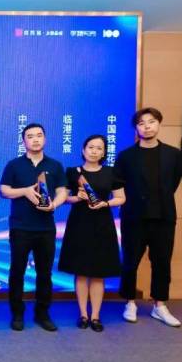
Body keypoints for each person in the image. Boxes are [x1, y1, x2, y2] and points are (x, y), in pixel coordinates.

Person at [114, 107, 182, 327]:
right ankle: (129, 302)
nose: (147, 127)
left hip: (163, 217)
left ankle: (159, 305)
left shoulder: (173, 154)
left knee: (162, 262)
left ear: (159, 124)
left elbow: (173, 183)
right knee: (130, 261)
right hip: (134, 217)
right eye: (142, 123)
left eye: (151, 122)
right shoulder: (126, 156)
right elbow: (119, 184)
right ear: (136, 128)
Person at [0, 123, 68, 332]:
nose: (35, 139)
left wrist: (54, 205)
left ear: (45, 139)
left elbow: (63, 191)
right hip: (20, 227)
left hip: (46, 228)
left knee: (44, 273)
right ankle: (17, 314)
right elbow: (4, 190)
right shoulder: (14, 165)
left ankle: (42, 314)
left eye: (39, 135)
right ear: (24, 141)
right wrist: (25, 191)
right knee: (17, 271)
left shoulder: (55, 165)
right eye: (30, 136)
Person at [58, 135, 125, 332]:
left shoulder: (111, 172)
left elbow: (121, 198)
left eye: (99, 148)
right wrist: (76, 197)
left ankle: (95, 316)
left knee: (98, 273)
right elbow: (64, 198)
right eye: (91, 147)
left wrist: (105, 203)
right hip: (79, 224)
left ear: (104, 153)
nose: (94, 151)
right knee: (80, 272)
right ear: (83, 149)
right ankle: (83, 314)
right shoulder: (73, 172)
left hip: (102, 224)